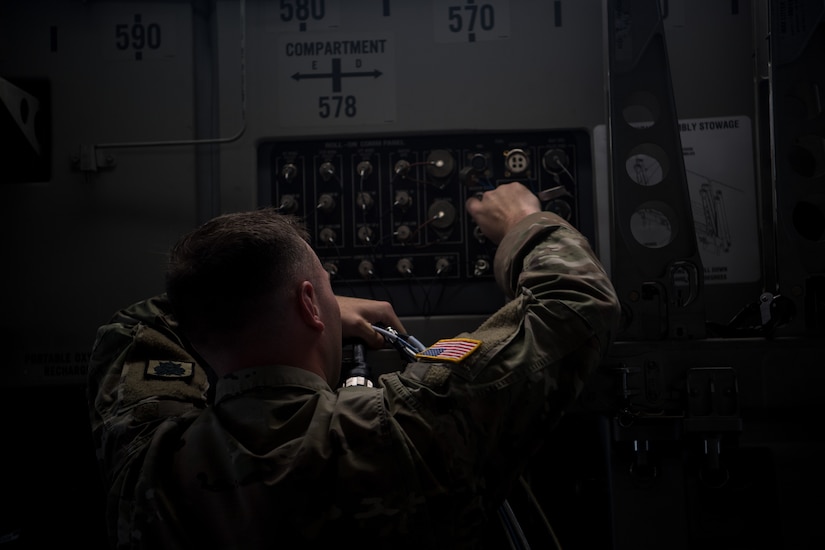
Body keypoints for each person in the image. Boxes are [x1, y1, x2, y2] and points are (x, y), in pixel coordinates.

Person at [88, 182, 620, 549]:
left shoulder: (146, 460)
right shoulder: (409, 429)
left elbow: (135, 326)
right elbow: (576, 301)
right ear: (309, 305)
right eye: (324, 283)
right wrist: (524, 224)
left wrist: (299, 302)